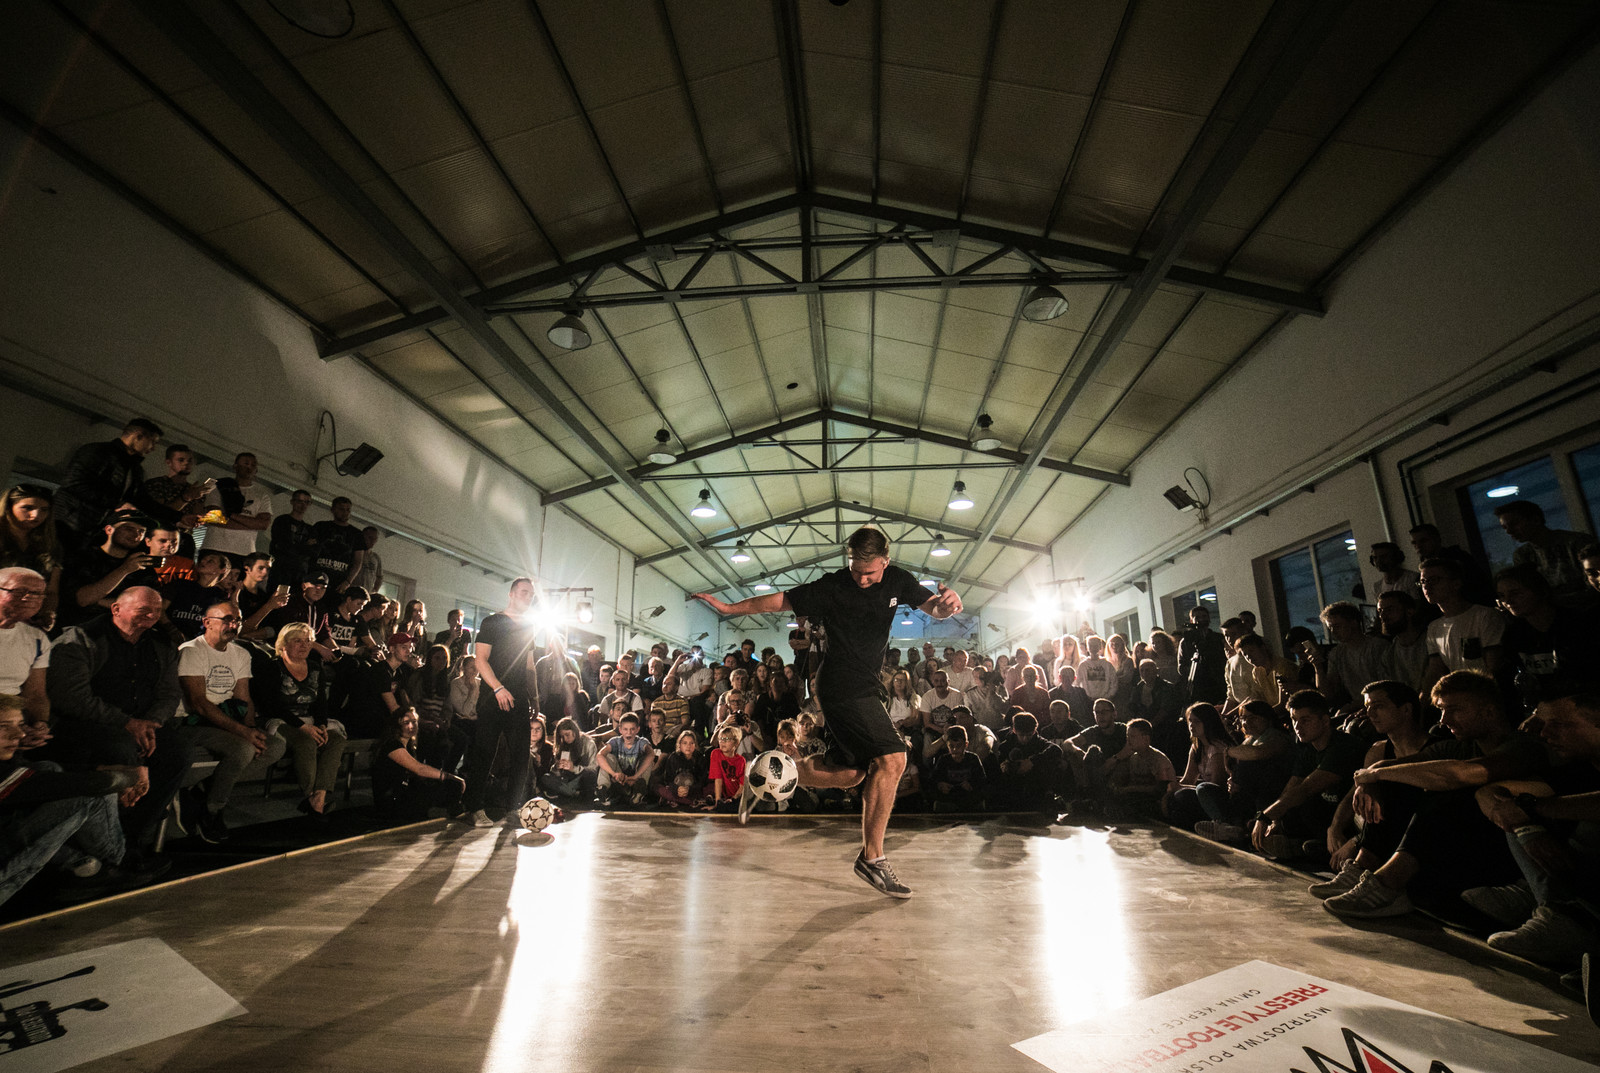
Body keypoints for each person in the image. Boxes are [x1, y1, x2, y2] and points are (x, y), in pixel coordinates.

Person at [692, 525, 963, 897]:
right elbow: (778, 601)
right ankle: (872, 858)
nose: (862, 579)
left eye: (870, 572)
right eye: (856, 570)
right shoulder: (833, 586)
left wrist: (946, 607)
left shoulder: (898, 580)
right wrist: (728, 608)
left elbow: (933, 606)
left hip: (868, 686)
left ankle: (764, 777)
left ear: (886, 561)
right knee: (893, 759)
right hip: (840, 684)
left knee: (851, 774)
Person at [43, 586, 187, 856]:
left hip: (143, 724)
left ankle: (135, 836)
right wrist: (126, 722)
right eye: (144, 609)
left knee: (176, 755)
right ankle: (105, 843)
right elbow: (71, 697)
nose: (152, 615)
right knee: (120, 749)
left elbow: (170, 693)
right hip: (89, 722)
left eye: (157, 611)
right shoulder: (81, 639)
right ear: (116, 609)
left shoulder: (161, 644)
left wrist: (151, 722)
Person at [173, 601, 285, 843]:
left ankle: (202, 789)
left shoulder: (240, 653)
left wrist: (251, 728)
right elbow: (198, 703)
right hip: (192, 722)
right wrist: (243, 733)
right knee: (243, 748)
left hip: (225, 719)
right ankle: (213, 809)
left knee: (274, 746)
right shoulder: (191, 650)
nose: (233, 625)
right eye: (227, 620)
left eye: (237, 621)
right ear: (207, 622)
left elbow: (243, 697)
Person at [461, 578, 536, 827]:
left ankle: (513, 808)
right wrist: (498, 688)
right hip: (492, 697)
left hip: (519, 698)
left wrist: (534, 697)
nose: (528, 597)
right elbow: (481, 659)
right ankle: (474, 808)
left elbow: (529, 665)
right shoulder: (492, 622)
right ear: (511, 594)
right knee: (484, 752)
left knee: (521, 755)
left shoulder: (529, 626)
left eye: (531, 595)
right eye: (524, 592)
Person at [256, 622, 347, 819]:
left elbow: (320, 702)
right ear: (284, 644)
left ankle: (319, 797)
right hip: (281, 719)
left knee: (336, 739)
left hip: (309, 719)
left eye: (308, 641)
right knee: (306, 741)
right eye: (298, 641)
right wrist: (303, 727)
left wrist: (321, 725)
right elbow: (272, 705)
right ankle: (310, 795)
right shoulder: (272, 667)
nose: (304, 645)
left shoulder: (314, 668)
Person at [53, 417, 161, 555]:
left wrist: (179, 516)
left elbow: (142, 500)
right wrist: (118, 503)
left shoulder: (135, 468)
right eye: (153, 442)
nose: (153, 448)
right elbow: (73, 483)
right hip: (66, 525)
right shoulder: (97, 451)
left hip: (93, 531)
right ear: (138, 436)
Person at [1495, 499, 1597, 610]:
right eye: (1505, 527)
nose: (1509, 531)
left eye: (1514, 524)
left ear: (1535, 520)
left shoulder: (1577, 542)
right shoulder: (1522, 554)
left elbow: (1593, 586)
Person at [371, 708, 464, 823]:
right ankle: (435, 811)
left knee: (447, 786)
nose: (412, 725)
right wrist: (447, 776)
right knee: (444, 785)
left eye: (414, 721)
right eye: (406, 722)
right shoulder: (392, 745)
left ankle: (443, 808)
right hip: (390, 799)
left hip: (402, 791)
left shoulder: (408, 746)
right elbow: (419, 769)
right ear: (397, 724)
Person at [0, 567, 52, 735]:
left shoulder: (37, 639)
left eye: (37, 594)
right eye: (19, 591)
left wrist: (38, 725)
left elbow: (35, 695)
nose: (29, 598)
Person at [0, 484, 65, 621]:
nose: (36, 515)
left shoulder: (50, 544)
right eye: (27, 508)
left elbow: (51, 591)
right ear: (9, 507)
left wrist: (47, 615)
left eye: (44, 510)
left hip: (28, 618)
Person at [198, 452, 272, 568]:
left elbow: (263, 524)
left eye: (253, 465)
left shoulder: (262, 496)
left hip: (244, 552)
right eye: (245, 463)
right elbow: (213, 517)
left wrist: (231, 515)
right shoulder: (219, 487)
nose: (249, 468)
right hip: (214, 547)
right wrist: (251, 524)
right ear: (235, 466)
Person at [1178, 606, 1227, 705]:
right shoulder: (1186, 641)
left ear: (1209, 618)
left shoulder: (1218, 638)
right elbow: (1181, 667)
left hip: (1218, 684)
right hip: (1197, 687)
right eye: (1197, 617)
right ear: (1191, 620)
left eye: (1204, 616)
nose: (1201, 620)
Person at [541, 716, 597, 801]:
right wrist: (557, 767)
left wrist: (574, 768)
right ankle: (572, 792)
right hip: (566, 779)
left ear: (574, 731)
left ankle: (567, 792)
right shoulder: (562, 744)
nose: (565, 738)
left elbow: (593, 769)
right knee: (545, 778)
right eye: (562, 736)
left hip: (582, 778)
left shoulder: (588, 743)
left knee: (585, 778)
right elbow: (555, 773)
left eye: (567, 735)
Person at [654, 729, 708, 809]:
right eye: (685, 743)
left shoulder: (700, 758)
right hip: (677, 790)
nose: (688, 746)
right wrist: (677, 789)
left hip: (693, 791)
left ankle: (676, 800)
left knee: (710, 788)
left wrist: (689, 789)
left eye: (691, 743)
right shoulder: (673, 757)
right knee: (657, 787)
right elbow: (668, 780)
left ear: (695, 745)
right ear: (680, 744)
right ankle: (689, 801)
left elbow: (703, 780)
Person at [707, 726, 747, 811]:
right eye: (721, 739)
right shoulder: (716, 754)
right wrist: (718, 802)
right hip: (723, 794)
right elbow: (718, 779)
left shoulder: (741, 760)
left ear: (736, 743)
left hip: (736, 795)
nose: (723, 742)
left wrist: (733, 798)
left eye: (727, 739)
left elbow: (742, 786)